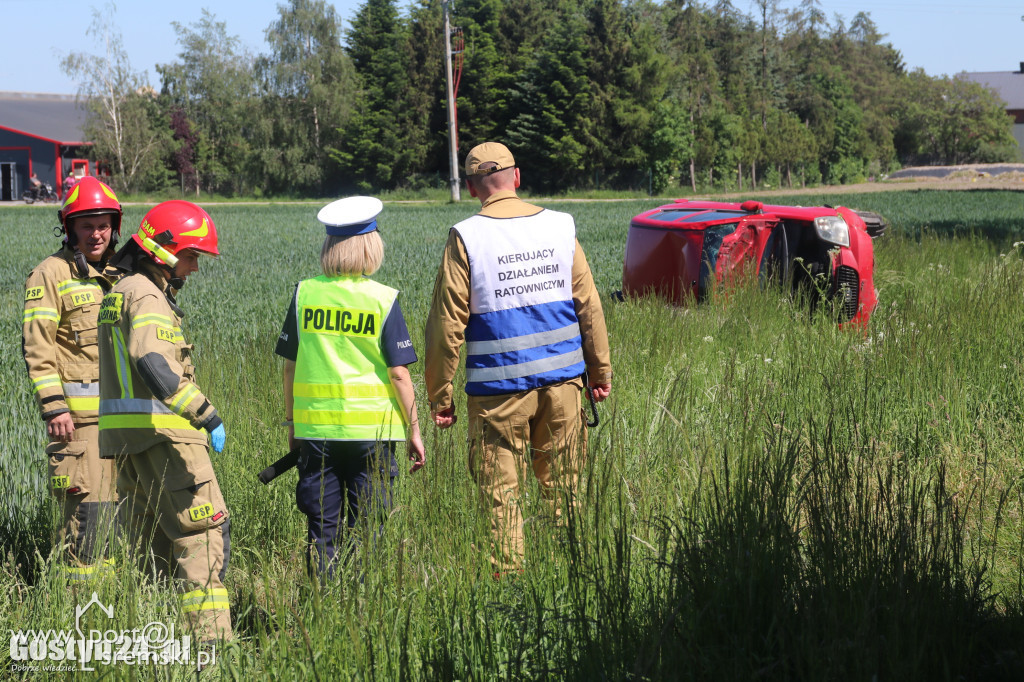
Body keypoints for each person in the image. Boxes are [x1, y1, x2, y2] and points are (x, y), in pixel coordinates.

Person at [425, 142, 612, 573]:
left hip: (497, 395)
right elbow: (588, 304)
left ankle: (508, 587)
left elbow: (447, 323)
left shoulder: (466, 236)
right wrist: (599, 371)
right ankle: (574, 574)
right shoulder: (560, 227)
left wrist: (441, 393)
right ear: (517, 177)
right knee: (565, 489)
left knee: (501, 497)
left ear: (472, 189)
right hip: (564, 385)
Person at [97, 200, 231, 643]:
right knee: (202, 537)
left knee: (151, 551)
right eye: (192, 256)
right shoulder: (148, 294)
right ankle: (212, 651)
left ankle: (160, 645)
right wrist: (205, 414)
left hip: (129, 445)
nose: (194, 268)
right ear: (165, 251)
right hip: (167, 438)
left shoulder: (119, 291)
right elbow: (153, 362)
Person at [276, 196, 425, 579]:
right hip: (371, 436)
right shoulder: (383, 299)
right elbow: (399, 375)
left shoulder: (304, 294)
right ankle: (362, 610)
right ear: (370, 246)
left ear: (330, 246)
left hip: (316, 434)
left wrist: (292, 424)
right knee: (369, 532)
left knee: (321, 531)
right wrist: (414, 430)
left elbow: (289, 367)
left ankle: (320, 609)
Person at [22, 176, 123, 581]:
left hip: (122, 422)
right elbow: (38, 347)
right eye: (86, 226)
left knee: (119, 510)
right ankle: (81, 601)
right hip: (77, 426)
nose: (96, 234)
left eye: (103, 225)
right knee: (86, 516)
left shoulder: (120, 273)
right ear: (69, 228)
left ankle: (115, 592)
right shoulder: (50, 275)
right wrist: (54, 406)